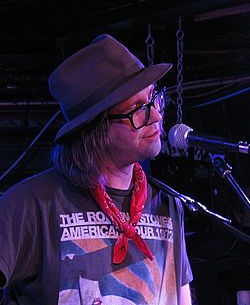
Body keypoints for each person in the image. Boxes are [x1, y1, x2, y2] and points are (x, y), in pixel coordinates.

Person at [0, 34, 193, 305]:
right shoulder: (29, 204)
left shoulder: (168, 205)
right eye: (138, 108)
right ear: (96, 130)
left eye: (153, 98)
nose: (157, 116)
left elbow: (180, 297)